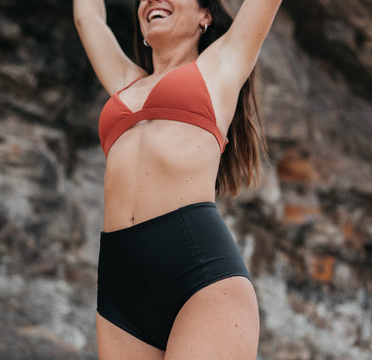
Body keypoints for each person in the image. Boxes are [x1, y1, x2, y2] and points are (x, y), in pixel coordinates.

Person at [73, 0, 281, 358]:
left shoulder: (222, 65)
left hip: (200, 276)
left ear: (205, 14)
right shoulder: (124, 83)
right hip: (121, 287)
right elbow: (87, 16)